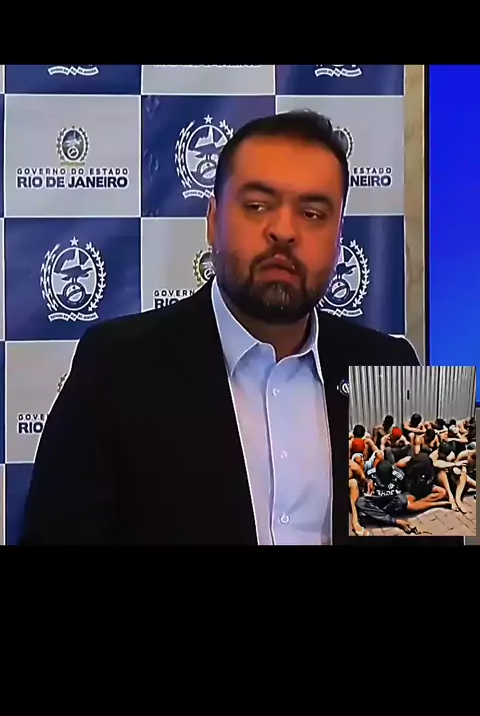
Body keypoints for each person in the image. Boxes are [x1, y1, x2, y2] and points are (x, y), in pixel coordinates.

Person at [19, 109, 422, 546]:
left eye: (312, 213)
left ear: (339, 236)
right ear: (213, 220)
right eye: (257, 206)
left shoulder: (391, 368)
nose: (283, 231)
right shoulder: (116, 367)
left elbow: (416, 529)